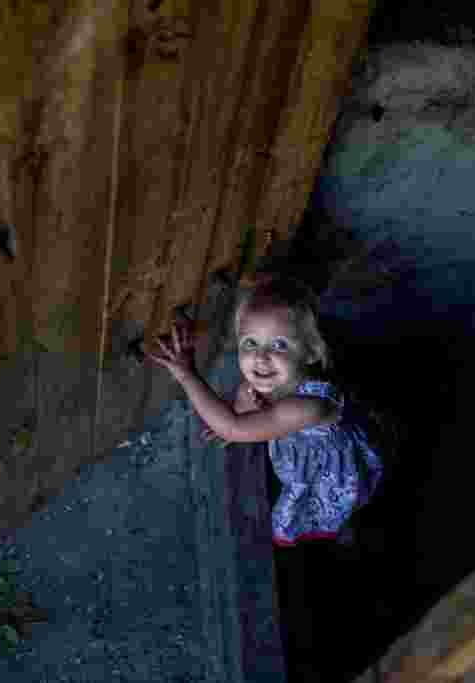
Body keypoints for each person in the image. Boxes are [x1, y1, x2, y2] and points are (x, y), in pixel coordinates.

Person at [147, 273, 384, 681]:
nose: (260, 359)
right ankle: (345, 528)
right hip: (302, 451)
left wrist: (189, 376)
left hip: (326, 472)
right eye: (250, 345)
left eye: (279, 345)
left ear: (311, 351)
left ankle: (344, 530)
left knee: (335, 506)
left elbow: (238, 427)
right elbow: (242, 410)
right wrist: (234, 416)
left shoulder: (306, 407)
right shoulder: (273, 379)